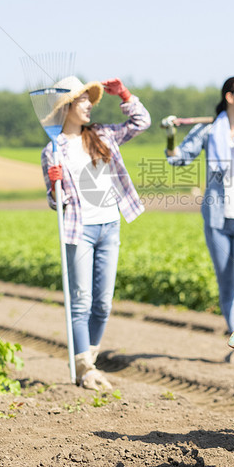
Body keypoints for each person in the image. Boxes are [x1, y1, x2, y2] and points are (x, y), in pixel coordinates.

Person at [40, 75, 151, 390]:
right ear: (67, 107)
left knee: (103, 304)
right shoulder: (53, 150)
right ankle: (84, 368)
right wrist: (54, 183)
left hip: (110, 226)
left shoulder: (103, 134)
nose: (88, 105)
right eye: (81, 100)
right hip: (80, 230)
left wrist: (125, 94)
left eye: (89, 99)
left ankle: (90, 361)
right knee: (81, 302)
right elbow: (54, 202)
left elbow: (142, 122)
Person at [165, 76, 234, 363]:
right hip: (217, 217)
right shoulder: (207, 132)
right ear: (230, 97)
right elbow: (178, 159)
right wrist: (169, 135)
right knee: (226, 284)